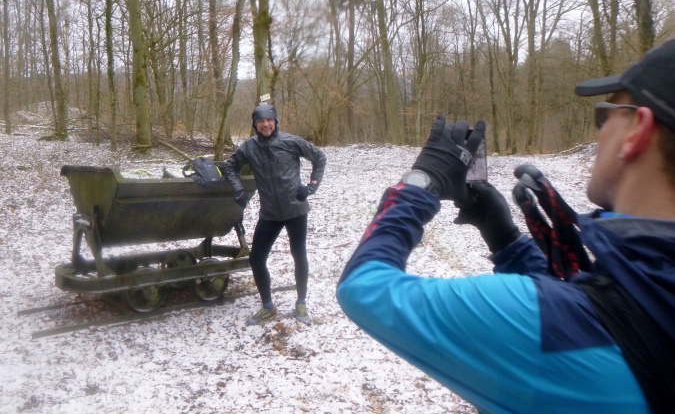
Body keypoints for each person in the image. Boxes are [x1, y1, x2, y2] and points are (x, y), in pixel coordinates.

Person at [336, 39, 675, 414]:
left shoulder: (546, 321)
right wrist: (508, 243)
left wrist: (420, 185)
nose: (600, 132)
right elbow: (603, 317)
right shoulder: (654, 292)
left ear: (637, 130)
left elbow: (363, 289)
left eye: (605, 115)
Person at [222, 104, 326, 325]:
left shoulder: (291, 142)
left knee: (299, 255)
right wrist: (238, 189)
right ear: (255, 124)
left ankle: (301, 303)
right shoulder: (249, 147)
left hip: (296, 209)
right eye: (261, 121)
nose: (265, 125)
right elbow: (229, 167)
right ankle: (268, 307)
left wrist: (311, 186)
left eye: (269, 120)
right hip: (269, 213)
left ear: (276, 122)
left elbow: (319, 157)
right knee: (256, 258)